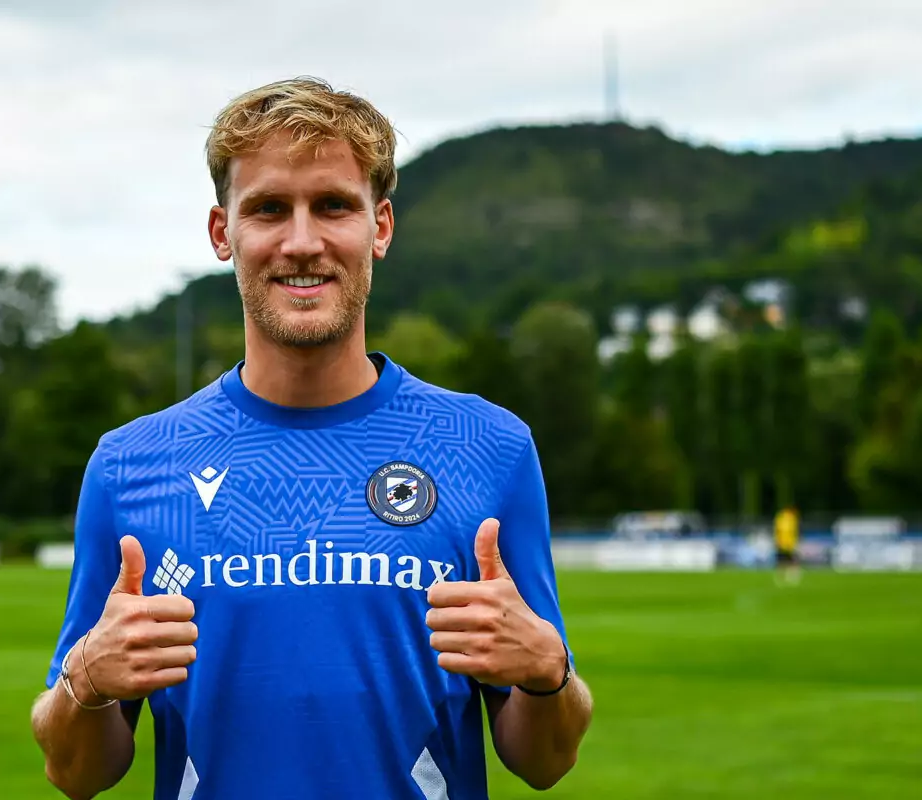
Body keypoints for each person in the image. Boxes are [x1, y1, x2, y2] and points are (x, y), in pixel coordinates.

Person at [30, 76, 593, 799]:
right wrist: (84, 682)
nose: (302, 243)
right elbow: (74, 774)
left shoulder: (489, 448)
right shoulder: (131, 464)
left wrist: (549, 675)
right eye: (268, 208)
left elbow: (545, 761)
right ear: (222, 233)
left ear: (380, 227)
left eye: (332, 205)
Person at [773, 505, 801, 585]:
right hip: (788, 543)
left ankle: (783, 577)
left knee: (784, 561)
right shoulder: (790, 518)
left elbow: (777, 531)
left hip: (784, 543)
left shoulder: (781, 517)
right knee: (790, 560)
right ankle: (790, 576)